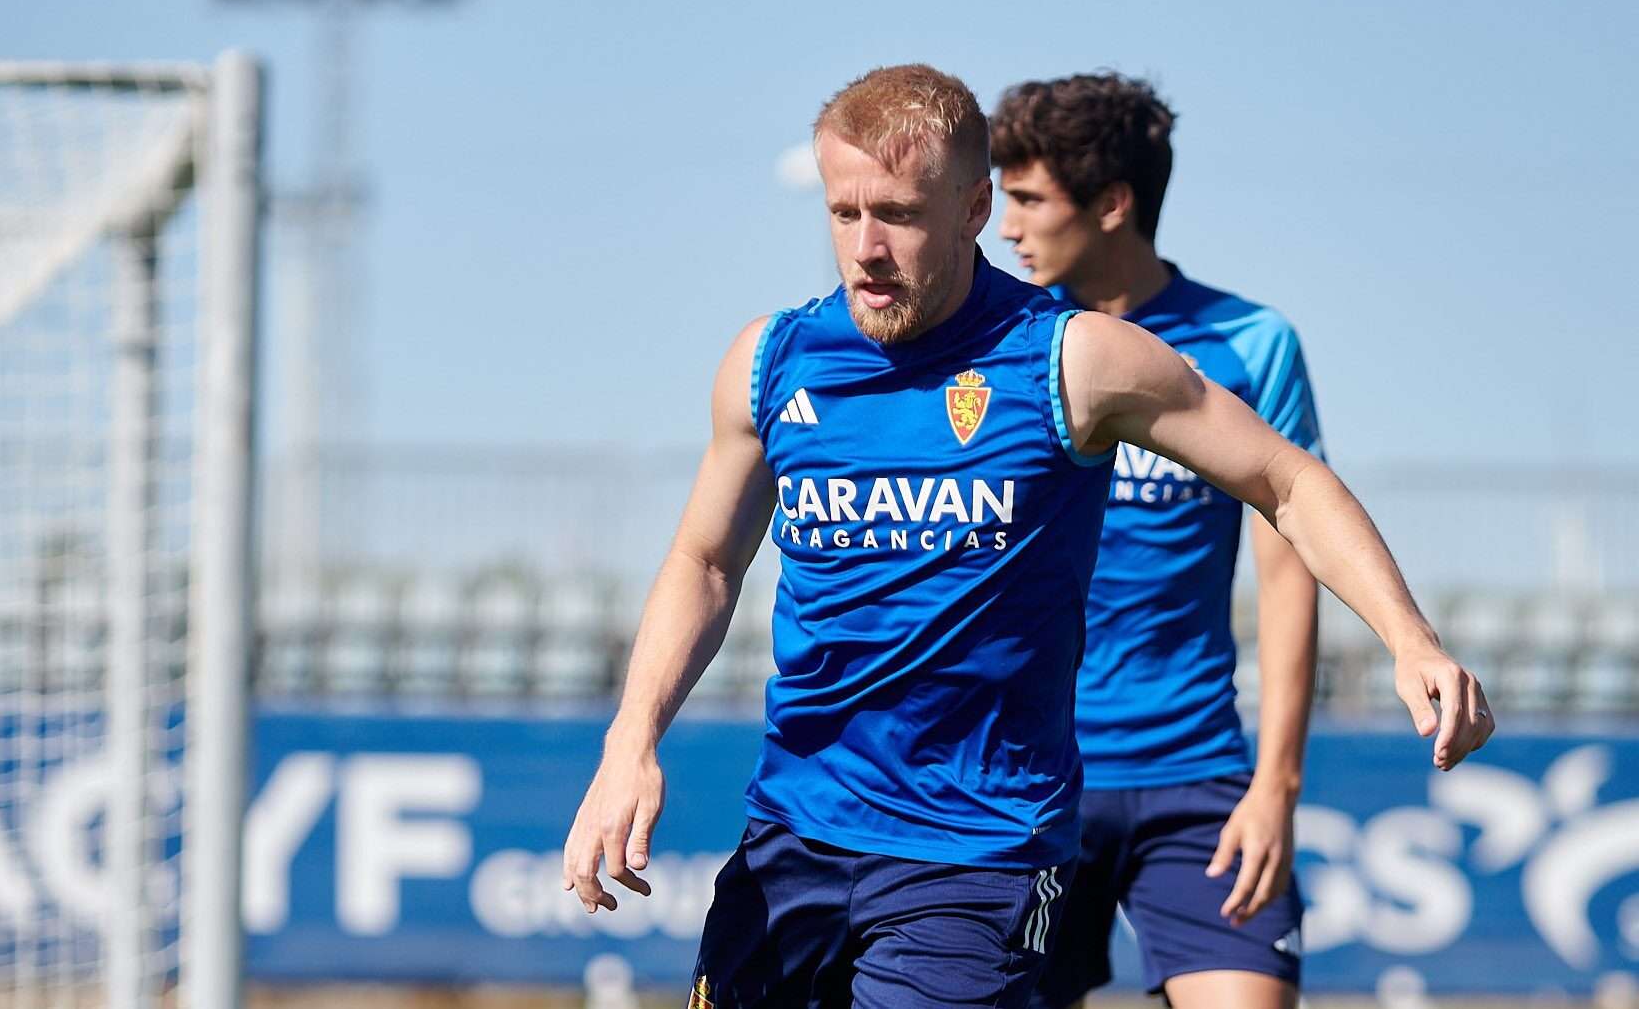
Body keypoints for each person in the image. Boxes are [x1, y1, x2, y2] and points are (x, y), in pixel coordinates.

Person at [561, 63, 1492, 1009]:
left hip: (977, 854)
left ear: (972, 208)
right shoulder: (770, 360)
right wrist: (629, 743)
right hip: (791, 838)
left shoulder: (1074, 359)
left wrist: (1410, 640)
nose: (867, 247)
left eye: (899, 213)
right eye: (844, 214)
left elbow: (1286, 482)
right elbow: (706, 561)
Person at [991, 71, 1484, 1009]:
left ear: (1110, 204)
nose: (1006, 226)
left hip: (1196, 777)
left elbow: (1290, 565)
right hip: (1027, 783)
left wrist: (1276, 787)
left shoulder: (1248, 345)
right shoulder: (1003, 349)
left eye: (1026, 199)